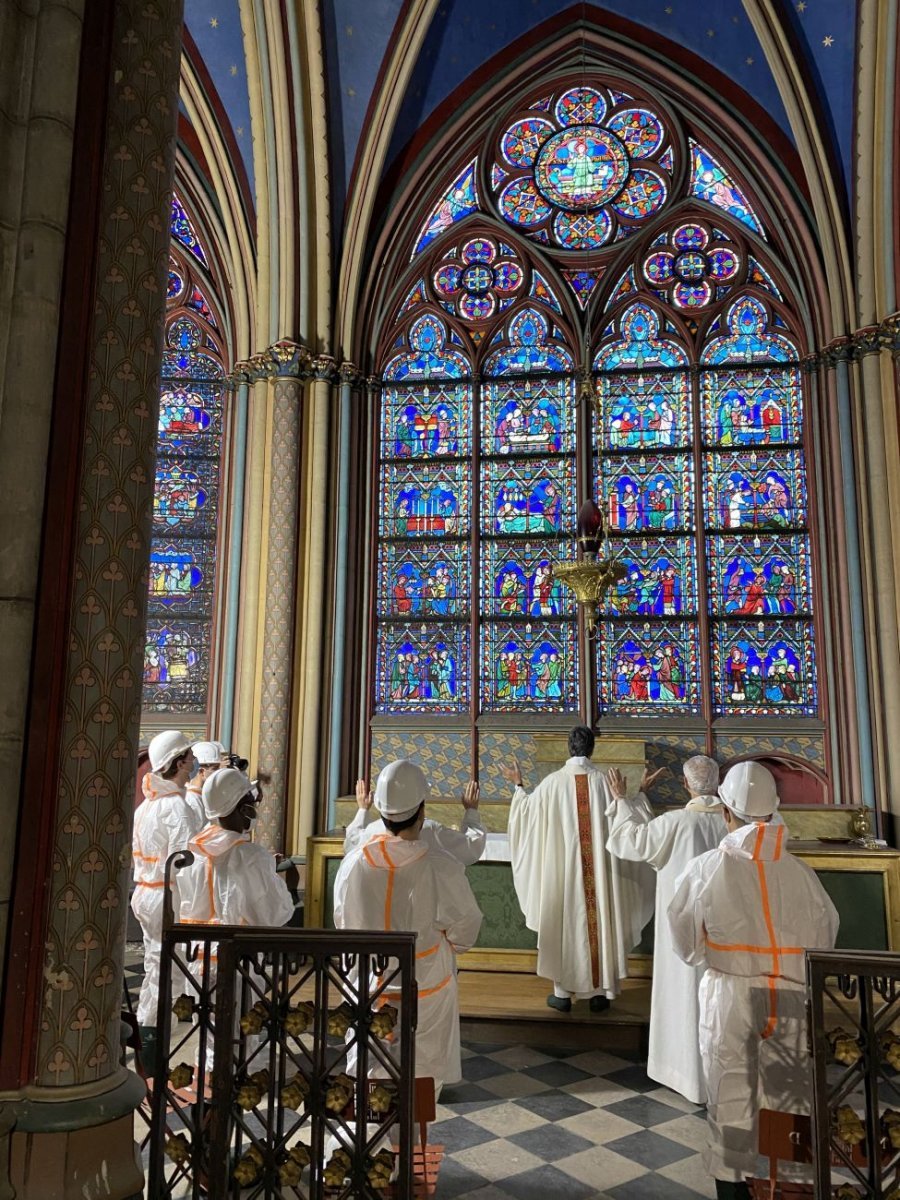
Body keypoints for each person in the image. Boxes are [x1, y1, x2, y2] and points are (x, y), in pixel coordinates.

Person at [667, 762, 839, 1199]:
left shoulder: (707, 868)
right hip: (790, 991)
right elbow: (826, 933)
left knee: (730, 1089)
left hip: (730, 990)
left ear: (726, 811)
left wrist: (715, 956)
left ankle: (731, 1187)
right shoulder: (801, 873)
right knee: (789, 1090)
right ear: (773, 811)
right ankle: (789, 1186)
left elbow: (684, 939)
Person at [333, 760, 483, 1095]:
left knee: (369, 1062)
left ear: (381, 812)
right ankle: (413, 1135)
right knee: (422, 1070)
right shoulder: (437, 864)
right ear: (421, 809)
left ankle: (366, 1130)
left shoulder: (353, 862)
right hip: (424, 978)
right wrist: (446, 947)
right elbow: (466, 924)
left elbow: (343, 920)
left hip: (369, 979)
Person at [503, 725, 658, 1013]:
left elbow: (525, 815)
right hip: (599, 877)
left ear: (569, 748)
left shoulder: (552, 784)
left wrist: (518, 786)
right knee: (600, 917)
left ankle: (562, 993)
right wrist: (642, 794)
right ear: (591, 749)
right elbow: (629, 819)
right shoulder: (605, 783)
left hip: (563, 877)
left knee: (565, 921)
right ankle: (600, 992)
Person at [606, 755, 726, 1103]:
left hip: (683, 932)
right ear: (717, 785)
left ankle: (684, 1073)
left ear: (686, 785)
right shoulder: (736, 822)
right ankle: (720, 1077)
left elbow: (629, 840)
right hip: (725, 930)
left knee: (684, 993)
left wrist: (621, 801)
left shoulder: (675, 823)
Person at [131, 730, 201, 1067]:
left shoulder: (147, 806)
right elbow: (188, 865)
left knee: (154, 967)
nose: (193, 759)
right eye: (189, 754)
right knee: (168, 973)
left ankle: (148, 1044)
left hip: (146, 894)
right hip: (167, 898)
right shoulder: (177, 808)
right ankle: (153, 1050)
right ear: (181, 761)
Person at [179, 767, 298, 928]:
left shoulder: (194, 852)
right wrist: (266, 869)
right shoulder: (251, 856)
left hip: (195, 949)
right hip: (237, 949)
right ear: (243, 809)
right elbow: (273, 914)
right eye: (252, 804)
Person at [345, 770, 485, 867]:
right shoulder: (432, 832)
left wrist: (363, 809)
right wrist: (471, 810)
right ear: (421, 810)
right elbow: (472, 846)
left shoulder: (371, 833)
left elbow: (351, 843)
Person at [184, 740, 224, 828]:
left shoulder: (203, 795)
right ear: (202, 772)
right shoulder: (191, 800)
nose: (219, 772)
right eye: (215, 768)